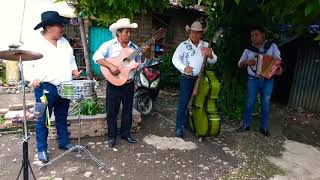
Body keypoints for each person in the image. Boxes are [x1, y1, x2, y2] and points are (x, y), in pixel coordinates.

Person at [24, 11, 81, 163]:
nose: (63, 27)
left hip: (65, 86)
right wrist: (32, 78)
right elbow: (26, 64)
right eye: (59, 25)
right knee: (41, 119)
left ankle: (64, 142)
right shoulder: (35, 44)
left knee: (62, 117)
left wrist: (74, 70)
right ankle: (41, 148)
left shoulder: (64, 42)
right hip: (44, 88)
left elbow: (72, 59)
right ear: (48, 27)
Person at [92, 18, 148, 148]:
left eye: (130, 32)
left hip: (128, 83)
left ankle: (126, 134)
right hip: (114, 83)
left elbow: (139, 65)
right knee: (112, 110)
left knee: (128, 110)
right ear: (119, 32)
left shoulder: (134, 48)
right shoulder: (109, 45)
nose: (129, 34)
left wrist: (145, 53)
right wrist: (111, 66)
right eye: (126, 32)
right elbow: (96, 57)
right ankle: (112, 136)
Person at [172, 21, 218, 138]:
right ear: (189, 32)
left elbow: (213, 61)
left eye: (197, 33)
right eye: (193, 32)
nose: (194, 35)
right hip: (186, 78)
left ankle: (190, 124)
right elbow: (175, 59)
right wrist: (183, 67)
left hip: (201, 79)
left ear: (201, 34)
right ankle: (179, 127)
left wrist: (211, 55)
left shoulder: (206, 45)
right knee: (184, 102)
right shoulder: (183, 45)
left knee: (197, 103)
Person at [237, 26, 283, 137]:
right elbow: (240, 64)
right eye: (252, 36)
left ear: (263, 35)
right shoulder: (248, 50)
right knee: (250, 102)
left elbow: (278, 61)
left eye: (256, 35)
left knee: (266, 103)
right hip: (253, 79)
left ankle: (264, 127)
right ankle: (246, 125)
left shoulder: (272, 46)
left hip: (268, 80)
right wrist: (247, 62)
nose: (253, 37)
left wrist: (278, 69)